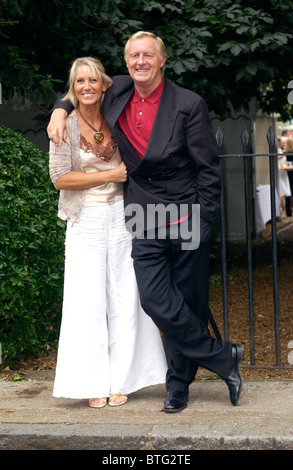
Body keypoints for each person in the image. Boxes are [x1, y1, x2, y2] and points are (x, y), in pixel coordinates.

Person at [48, 32, 243, 413]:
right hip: (142, 211)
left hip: (185, 212)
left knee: (187, 301)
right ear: (125, 64)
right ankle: (223, 357)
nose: (140, 61)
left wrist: (205, 221)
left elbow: (208, 169)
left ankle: (178, 386)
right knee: (154, 299)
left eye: (147, 55)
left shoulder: (188, 103)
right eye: (134, 55)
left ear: (162, 60)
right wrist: (59, 110)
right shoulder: (117, 90)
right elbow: (77, 90)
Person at [49, 56, 167, 409]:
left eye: (92, 80)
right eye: (78, 82)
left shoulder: (118, 111)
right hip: (84, 219)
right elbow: (60, 178)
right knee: (86, 302)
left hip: (122, 217)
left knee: (126, 297)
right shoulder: (64, 125)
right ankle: (91, 381)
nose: (86, 87)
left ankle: (126, 379)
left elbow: (137, 79)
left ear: (103, 85)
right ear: (72, 88)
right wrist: (108, 175)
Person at [277, 137, 291, 217]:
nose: (281, 144)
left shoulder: (280, 150)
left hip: (283, 173)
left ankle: (281, 210)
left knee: (284, 192)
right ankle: (280, 210)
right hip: (279, 173)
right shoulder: (277, 150)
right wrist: (281, 157)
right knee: (283, 192)